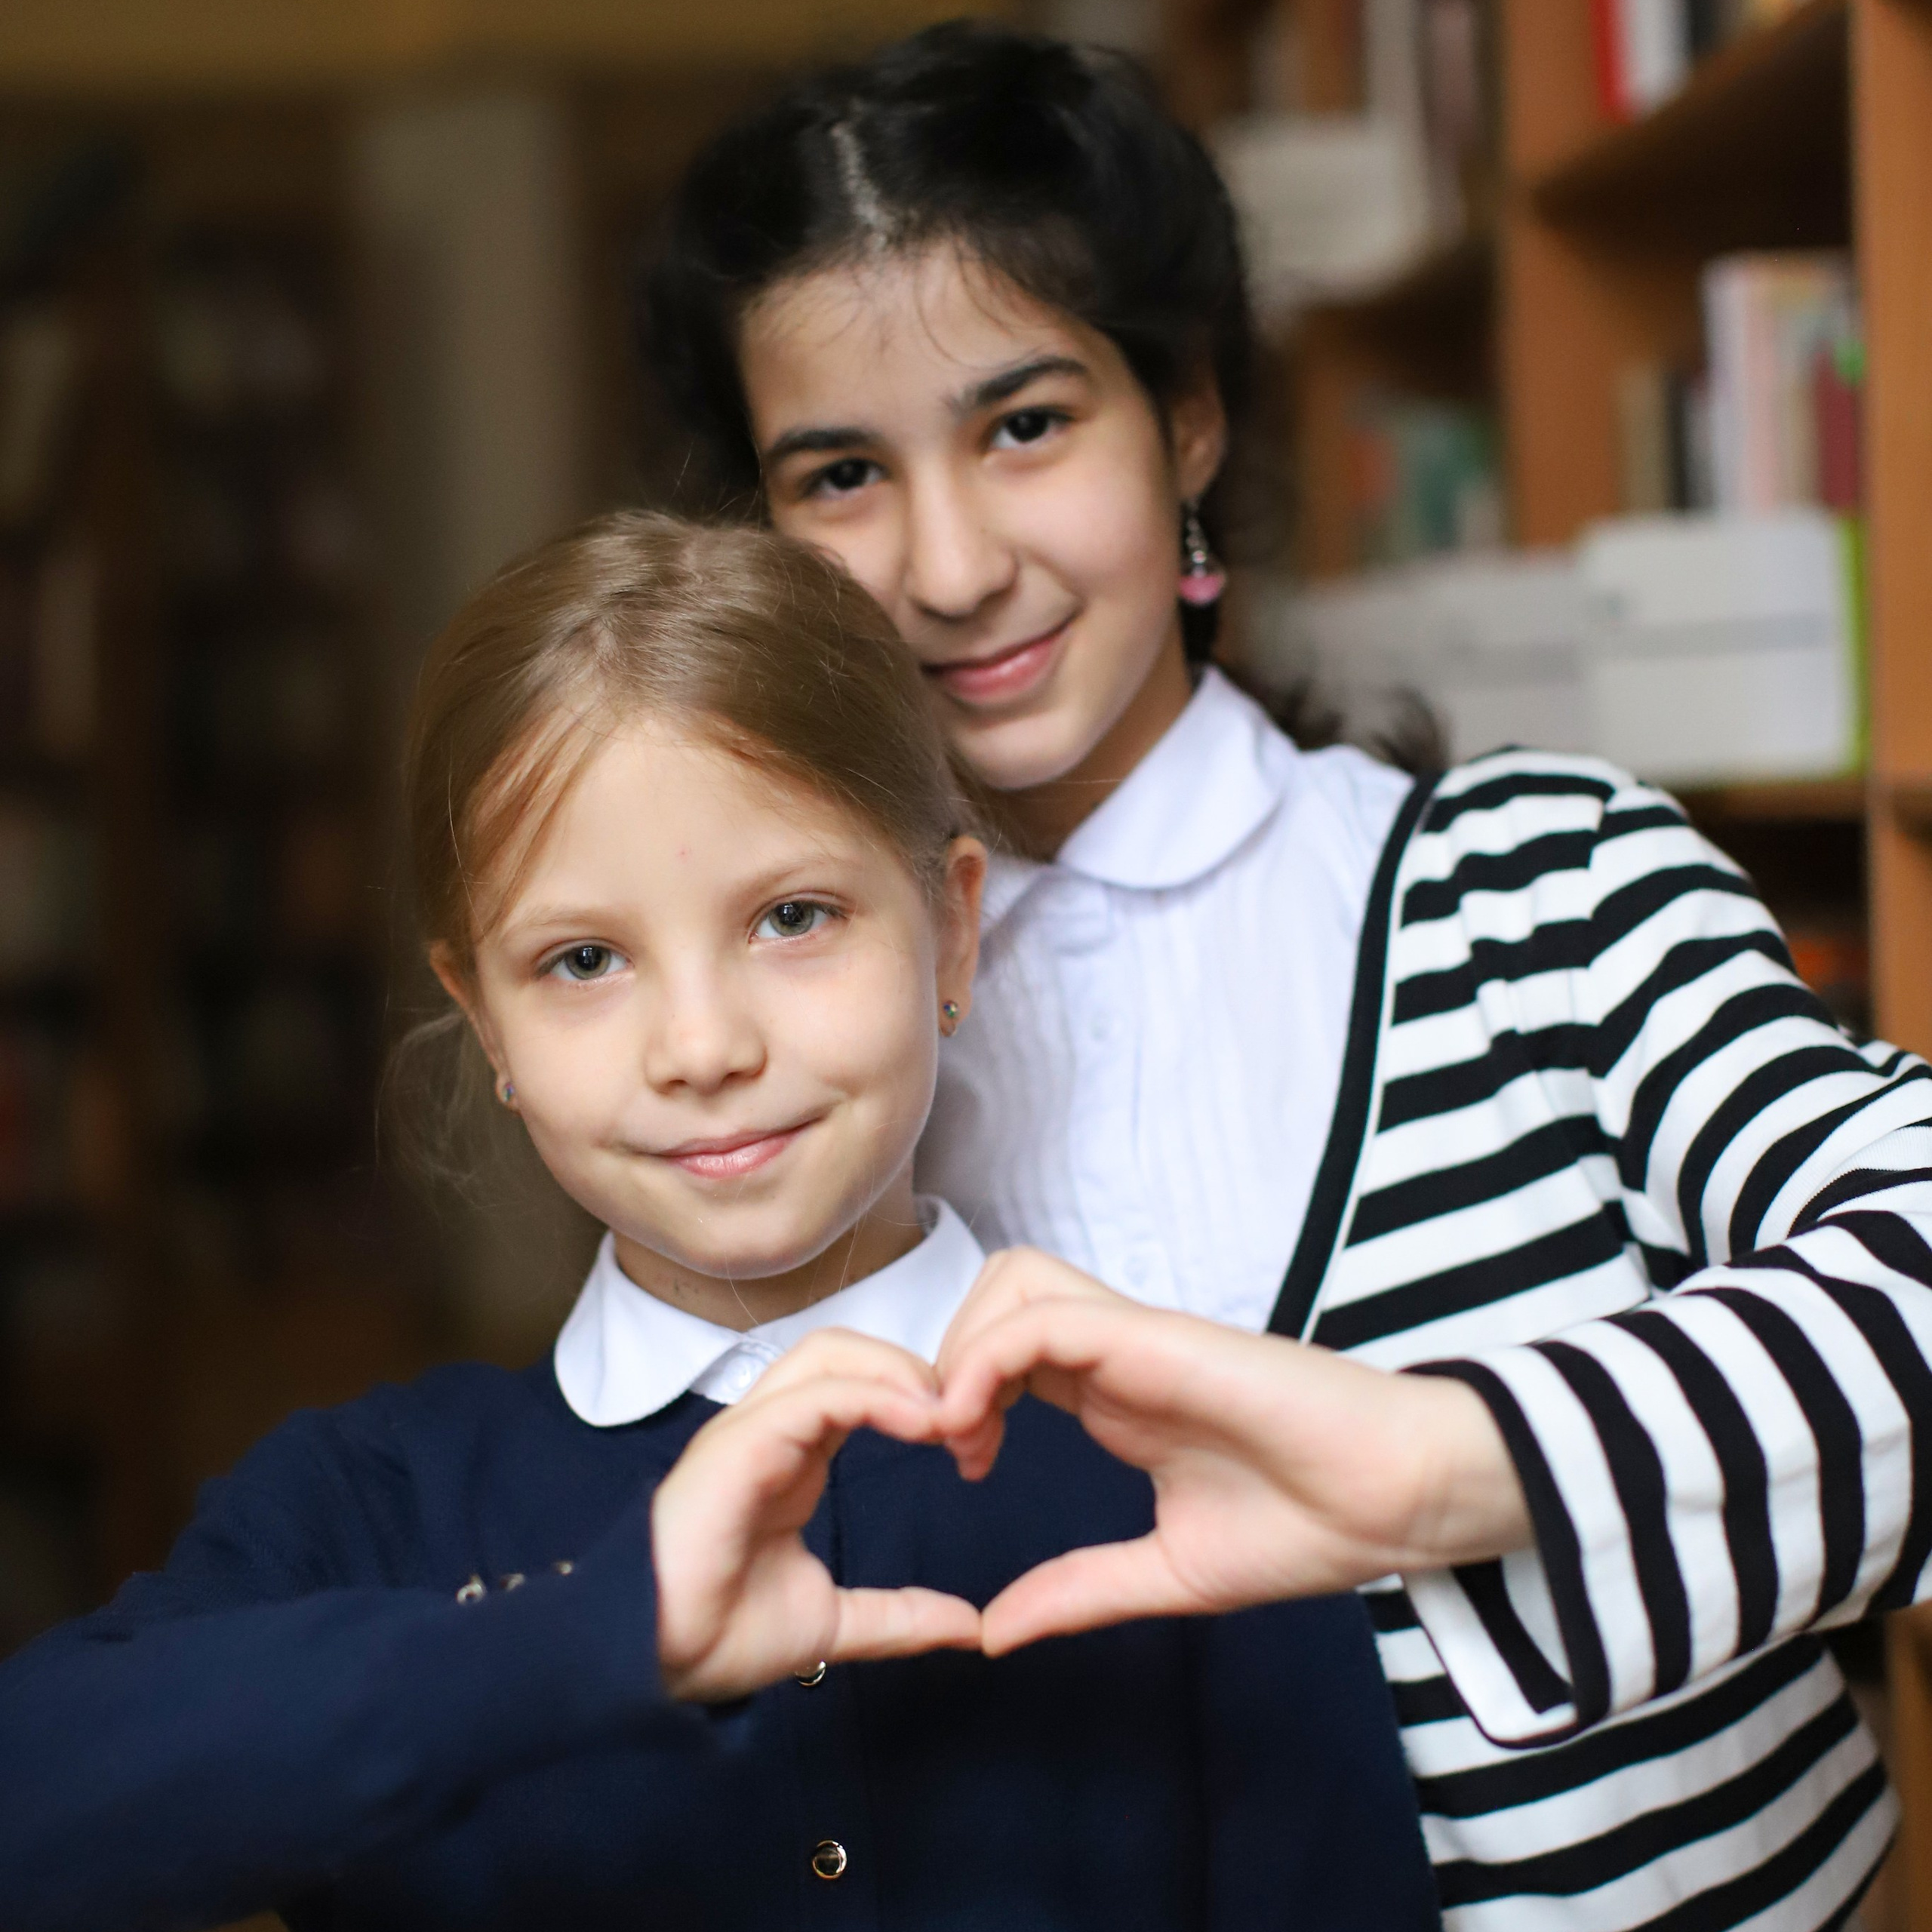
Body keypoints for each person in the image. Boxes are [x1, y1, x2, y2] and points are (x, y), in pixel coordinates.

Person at [641, 21, 1932, 1927]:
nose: (946, 565)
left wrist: (1448, 1458)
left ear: (1186, 420)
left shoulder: (1539, 881)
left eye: (1023, 423)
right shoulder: (759, 1062)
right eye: (838, 474)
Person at [0, 512, 1441, 1930]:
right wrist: (579, 1643)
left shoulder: (1170, 1457)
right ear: (482, 1020)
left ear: (948, 929)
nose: (702, 1046)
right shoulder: (371, 1506)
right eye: (581, 960)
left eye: (794, 918)